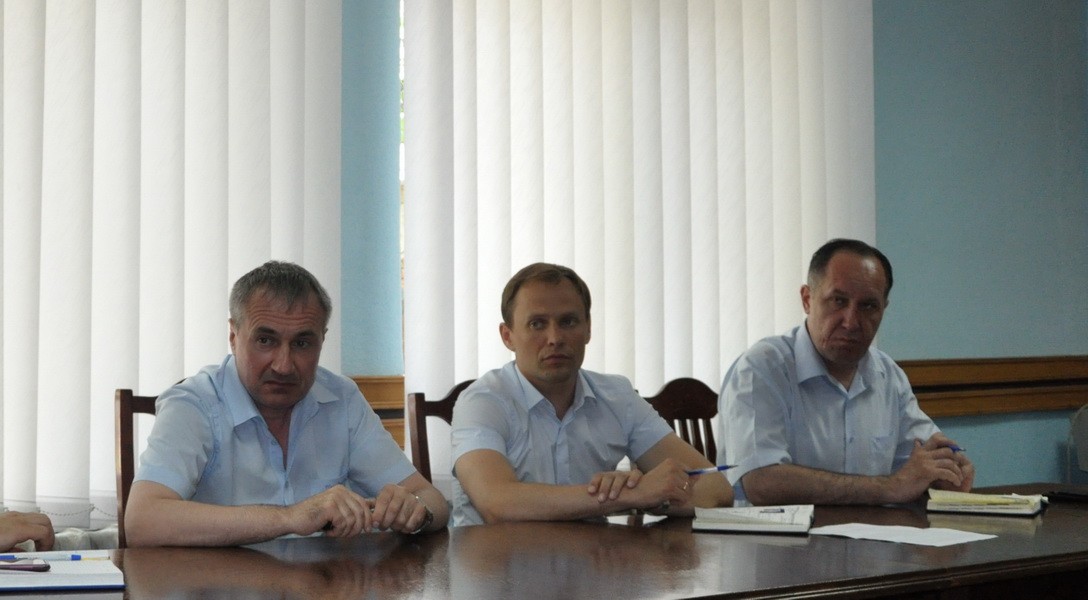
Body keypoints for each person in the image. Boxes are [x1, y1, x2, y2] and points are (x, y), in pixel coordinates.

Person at [125, 261, 448, 546]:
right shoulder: (193, 404)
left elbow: (432, 500)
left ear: (322, 340)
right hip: (221, 585)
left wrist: (415, 512)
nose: (283, 365)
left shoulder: (342, 399)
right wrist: (290, 517)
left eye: (302, 343)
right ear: (234, 337)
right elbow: (142, 521)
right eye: (265, 340)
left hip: (325, 583)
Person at [451, 263, 733, 526]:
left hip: (594, 560)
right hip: (497, 561)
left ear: (588, 329)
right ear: (507, 336)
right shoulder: (483, 401)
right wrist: (630, 495)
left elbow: (716, 489)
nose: (555, 338)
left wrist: (660, 497)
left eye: (568, 322)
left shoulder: (617, 397)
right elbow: (497, 502)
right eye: (537, 324)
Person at [718, 238, 975, 506]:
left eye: (868, 306)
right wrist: (888, 488)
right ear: (807, 300)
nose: (851, 322)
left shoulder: (888, 376)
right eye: (838, 301)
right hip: (776, 534)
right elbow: (760, 482)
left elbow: (926, 458)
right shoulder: (761, 369)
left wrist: (947, 472)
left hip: (873, 531)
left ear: (883, 309)